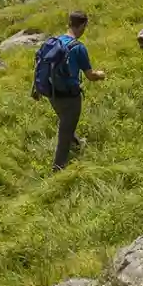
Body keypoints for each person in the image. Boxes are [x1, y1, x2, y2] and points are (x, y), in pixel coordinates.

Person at [40, 10, 105, 170]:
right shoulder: (78, 48)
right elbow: (90, 76)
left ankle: (76, 144)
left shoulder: (54, 42)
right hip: (70, 96)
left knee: (66, 121)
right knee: (65, 130)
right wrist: (101, 74)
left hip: (51, 93)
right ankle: (58, 167)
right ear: (82, 25)